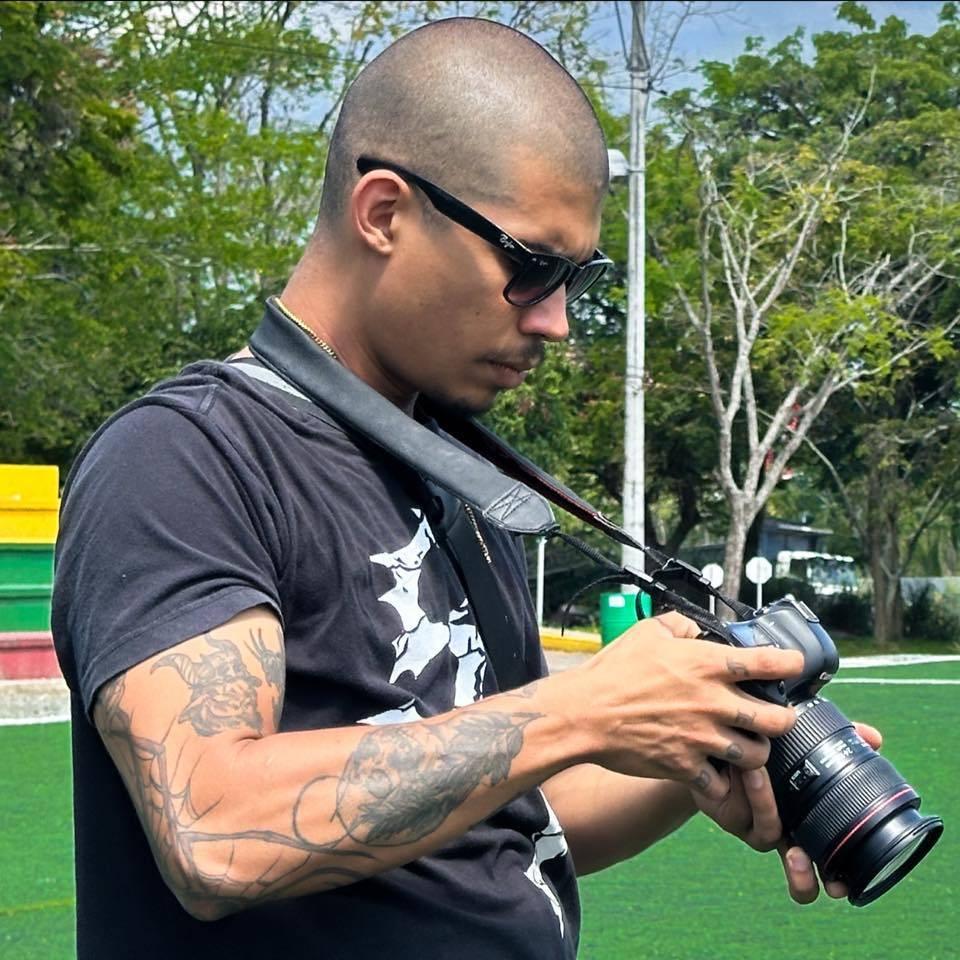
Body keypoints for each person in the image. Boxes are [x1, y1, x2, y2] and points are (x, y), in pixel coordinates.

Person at [52, 17, 879, 960]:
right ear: (384, 213)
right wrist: (584, 709)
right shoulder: (184, 456)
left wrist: (698, 754)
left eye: (576, 279)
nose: (557, 322)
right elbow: (215, 828)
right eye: (530, 267)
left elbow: (511, 809)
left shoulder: (451, 473)